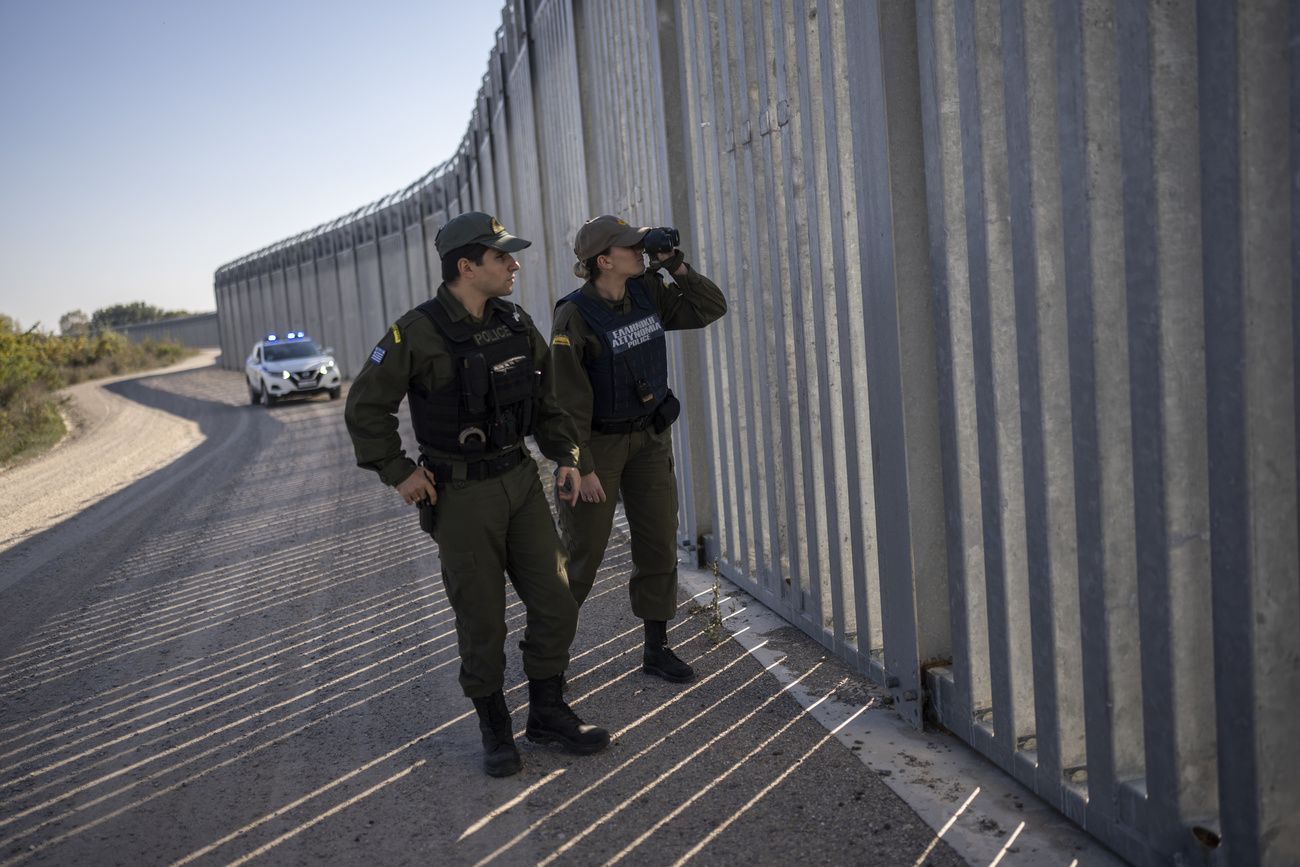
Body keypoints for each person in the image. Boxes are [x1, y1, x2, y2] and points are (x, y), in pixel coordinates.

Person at [344, 211, 609, 778]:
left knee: (557, 598)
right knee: (482, 619)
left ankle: (547, 712)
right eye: (501, 257)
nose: (514, 265)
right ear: (466, 266)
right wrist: (398, 471)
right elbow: (366, 406)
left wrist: (567, 455)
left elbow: (547, 401)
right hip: (462, 495)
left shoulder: (515, 323)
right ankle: (495, 728)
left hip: (519, 480)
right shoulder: (416, 333)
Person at [549, 215, 727, 684]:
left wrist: (675, 266)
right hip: (598, 448)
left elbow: (710, 307)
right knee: (581, 553)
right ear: (603, 261)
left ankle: (656, 648)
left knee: (657, 545)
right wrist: (581, 466)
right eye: (632, 247)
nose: (641, 251)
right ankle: (548, 660)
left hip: (649, 438)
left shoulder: (648, 290)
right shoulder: (574, 314)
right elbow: (566, 402)